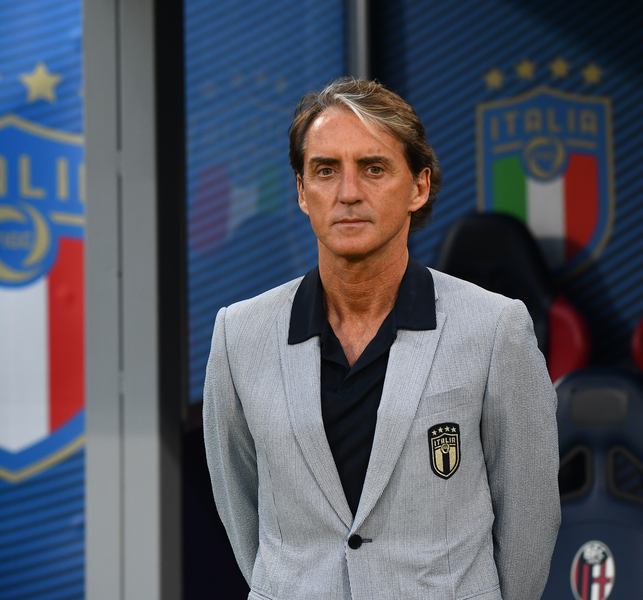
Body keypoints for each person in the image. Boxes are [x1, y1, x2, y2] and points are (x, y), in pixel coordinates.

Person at [203, 77, 560, 600]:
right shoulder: (239, 334)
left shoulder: (494, 328)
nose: (348, 193)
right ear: (303, 191)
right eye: (325, 170)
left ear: (418, 186)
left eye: (373, 168)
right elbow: (241, 510)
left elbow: (529, 516)